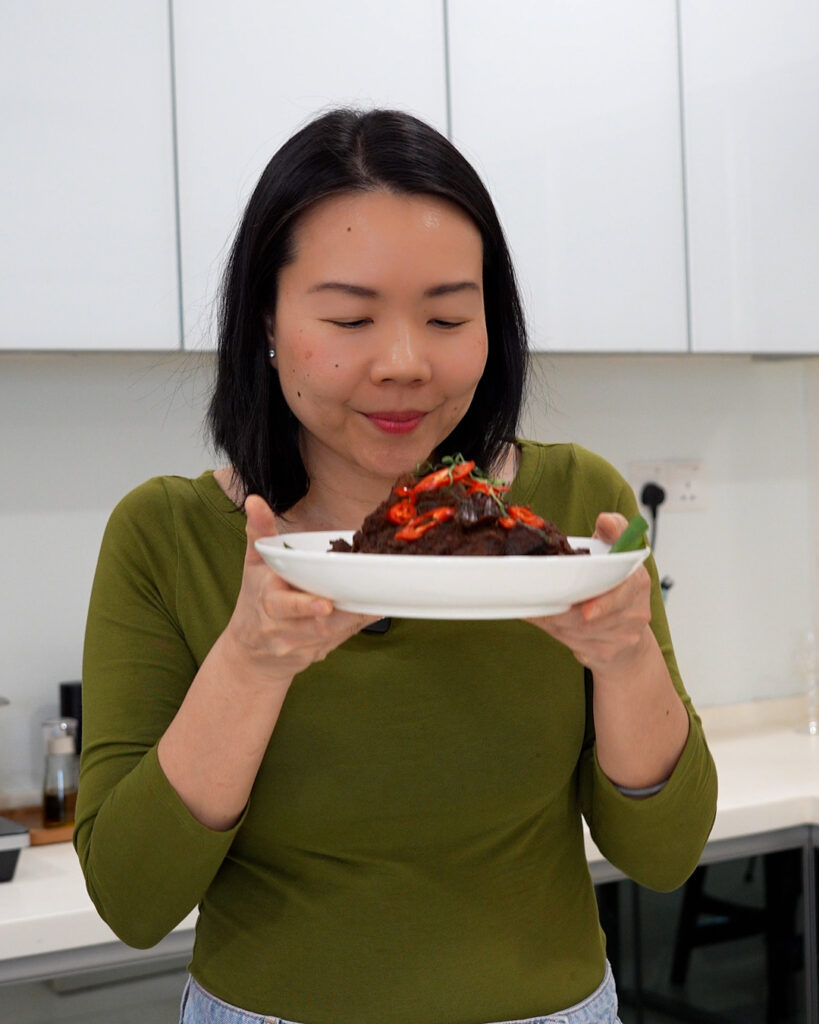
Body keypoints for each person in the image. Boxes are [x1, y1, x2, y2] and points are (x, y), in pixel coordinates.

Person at [75, 108, 717, 1024]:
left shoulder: (571, 514)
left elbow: (664, 854)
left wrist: (623, 656)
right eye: (349, 316)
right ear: (266, 314)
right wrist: (252, 659)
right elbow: (133, 900)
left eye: (448, 315)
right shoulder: (166, 534)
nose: (406, 364)